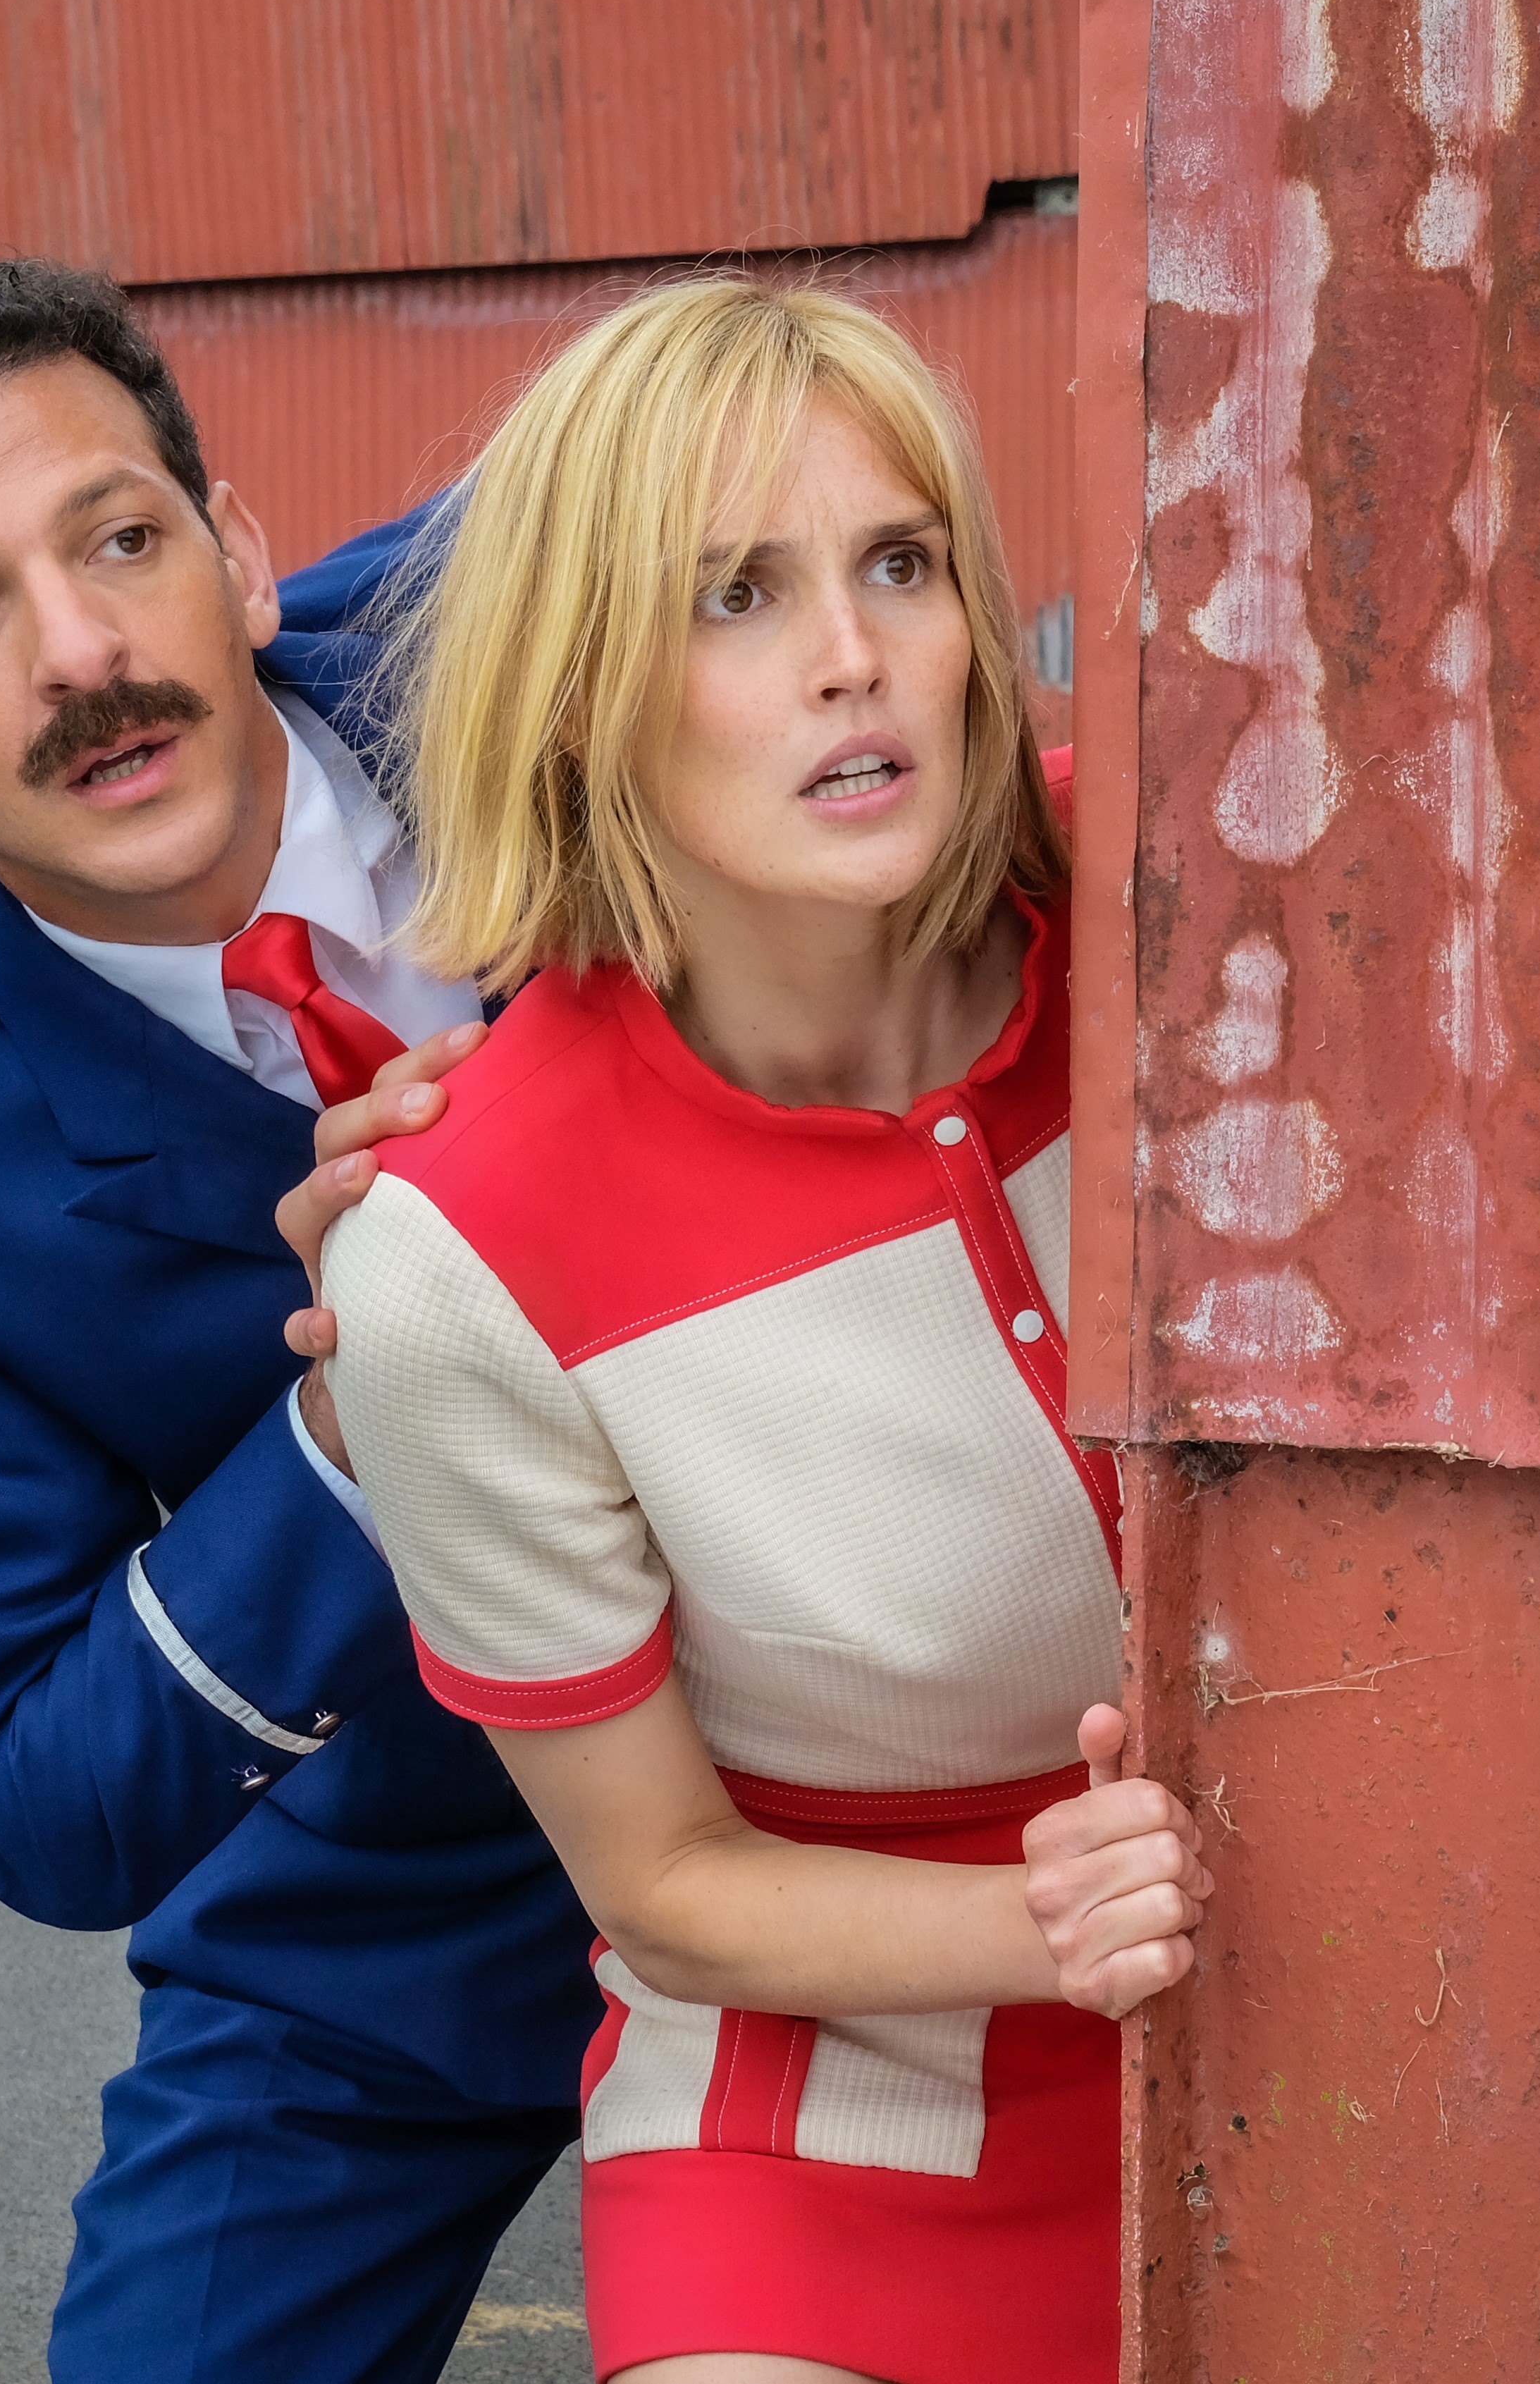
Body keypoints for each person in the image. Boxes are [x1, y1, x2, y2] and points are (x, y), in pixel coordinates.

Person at [307, 276, 1207, 2384]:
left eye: (900, 563)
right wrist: (1051, 1920)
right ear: (571, 694)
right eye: (735, 595)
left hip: (1363, 1997)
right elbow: (669, 1885)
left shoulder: (1193, 900)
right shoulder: (455, 1257)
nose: (849, 655)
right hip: (840, 2115)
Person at [0, 258, 600, 2384]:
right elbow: (39, 1793)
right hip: (422, 1862)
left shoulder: (557, 600)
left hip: (913, 1714)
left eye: (118, 541)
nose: (80, 653)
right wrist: (357, 1417)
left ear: (238, 550)